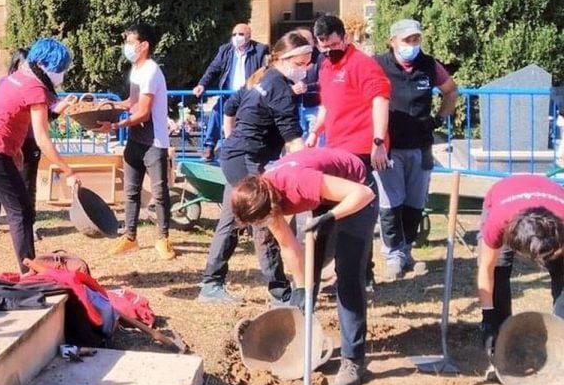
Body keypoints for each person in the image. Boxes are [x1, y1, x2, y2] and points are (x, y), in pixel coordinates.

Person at [231, 147, 376, 385]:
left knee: (348, 275)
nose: (261, 226)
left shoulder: (297, 183)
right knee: (310, 274)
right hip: (327, 196)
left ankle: (353, 361)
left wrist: (331, 216)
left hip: (358, 190)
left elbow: (364, 193)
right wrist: (302, 291)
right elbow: (289, 247)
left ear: (271, 205)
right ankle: (303, 346)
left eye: (261, 220)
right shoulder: (264, 195)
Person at [196, 31, 313, 304]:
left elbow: (230, 108)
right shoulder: (279, 89)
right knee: (266, 221)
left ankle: (211, 284)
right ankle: (280, 293)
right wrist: (313, 171)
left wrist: (229, 140)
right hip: (245, 160)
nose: (305, 69)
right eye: (301, 63)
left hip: (236, 157)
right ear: (284, 59)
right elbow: (293, 139)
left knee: (230, 219)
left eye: (308, 63)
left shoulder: (261, 77)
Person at [0, 39, 80, 275]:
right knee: (21, 212)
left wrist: (14, 149)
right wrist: (67, 170)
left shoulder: (18, 76)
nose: (61, 74)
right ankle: (30, 273)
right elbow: (42, 139)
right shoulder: (35, 87)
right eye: (60, 69)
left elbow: (13, 117)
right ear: (45, 65)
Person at [309, 15, 391, 289]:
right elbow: (327, 105)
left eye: (332, 44)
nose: (328, 50)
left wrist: (378, 143)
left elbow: (380, 100)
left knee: (356, 213)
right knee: (329, 214)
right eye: (322, 46)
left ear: (344, 38)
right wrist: (315, 132)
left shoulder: (363, 65)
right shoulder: (326, 67)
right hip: (334, 150)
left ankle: (361, 275)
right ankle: (317, 278)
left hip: (359, 152)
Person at [375, 19, 458, 279]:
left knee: (414, 204)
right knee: (390, 203)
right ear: (392, 41)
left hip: (420, 146)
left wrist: (438, 119)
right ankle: (392, 255)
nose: (412, 45)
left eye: (416, 40)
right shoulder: (377, 65)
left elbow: (451, 91)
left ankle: (407, 250)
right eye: (406, 40)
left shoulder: (429, 65)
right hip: (389, 147)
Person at [106, 23, 176, 261]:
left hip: (154, 141)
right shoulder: (136, 69)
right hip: (136, 140)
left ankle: (163, 238)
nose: (127, 46)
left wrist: (115, 126)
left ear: (144, 45)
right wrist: (107, 107)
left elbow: (144, 112)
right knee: (130, 192)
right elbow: (132, 102)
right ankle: (130, 237)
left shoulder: (152, 71)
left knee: (159, 192)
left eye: (131, 42)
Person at [475, 174, 564, 357]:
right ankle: (502, 334)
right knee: (499, 269)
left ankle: (560, 334)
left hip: (551, 203)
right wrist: (488, 317)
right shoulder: (498, 223)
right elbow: (486, 269)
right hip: (503, 197)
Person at [5, 48, 75, 236]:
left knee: (28, 185)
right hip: (10, 145)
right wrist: (68, 171)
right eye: (22, 64)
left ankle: (29, 225)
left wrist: (61, 106)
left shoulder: (39, 90)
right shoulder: (10, 85)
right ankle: (18, 225)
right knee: (9, 188)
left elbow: (44, 120)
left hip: (29, 142)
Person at [192, 23, 269, 160]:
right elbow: (213, 69)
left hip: (248, 95)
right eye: (234, 34)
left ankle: (250, 152)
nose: (237, 37)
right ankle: (209, 147)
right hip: (228, 95)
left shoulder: (260, 50)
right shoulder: (225, 50)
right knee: (216, 113)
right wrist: (202, 85)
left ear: (249, 36)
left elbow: (265, 72)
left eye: (241, 34)